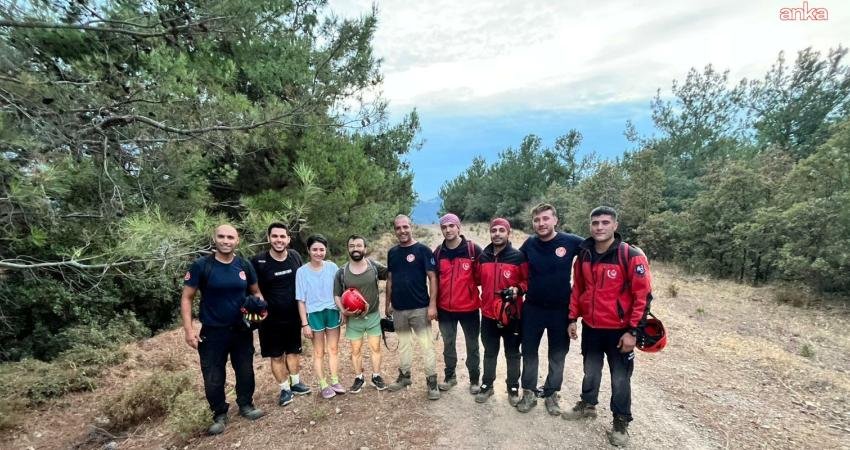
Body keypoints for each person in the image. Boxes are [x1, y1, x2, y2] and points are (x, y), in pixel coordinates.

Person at [563, 206, 651, 447]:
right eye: (595, 223)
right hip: (592, 327)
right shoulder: (584, 255)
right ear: (590, 226)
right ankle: (588, 404)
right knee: (591, 370)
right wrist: (572, 318)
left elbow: (642, 296)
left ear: (615, 225)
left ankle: (621, 421)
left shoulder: (630, 256)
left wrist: (633, 331)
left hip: (619, 330)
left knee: (620, 379)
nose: (599, 227)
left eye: (604, 222)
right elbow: (578, 289)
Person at [180, 224, 265, 435]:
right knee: (213, 375)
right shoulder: (201, 266)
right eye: (222, 236)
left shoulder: (244, 265)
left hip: (241, 329)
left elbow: (256, 293)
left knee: (245, 369)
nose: (226, 241)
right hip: (213, 330)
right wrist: (189, 330)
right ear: (214, 239)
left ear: (237, 241)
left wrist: (261, 310)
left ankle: (246, 404)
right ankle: (219, 413)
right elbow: (187, 297)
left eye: (230, 237)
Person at [516, 203, 583, 416]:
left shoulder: (571, 242)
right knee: (529, 352)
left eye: (545, 219)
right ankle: (528, 392)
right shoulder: (529, 244)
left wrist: (630, 251)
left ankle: (552, 393)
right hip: (533, 308)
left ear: (555, 220)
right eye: (537, 220)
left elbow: (599, 247)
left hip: (560, 310)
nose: (541, 223)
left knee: (557, 354)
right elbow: (513, 263)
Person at [251, 223, 311, 407]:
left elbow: (303, 281)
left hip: (293, 316)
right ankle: (284, 390)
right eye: (275, 236)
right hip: (269, 321)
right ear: (268, 238)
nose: (279, 240)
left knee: (293, 351)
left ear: (288, 239)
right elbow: (253, 289)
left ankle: (296, 382)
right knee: (276, 356)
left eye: (282, 236)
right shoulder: (258, 261)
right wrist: (260, 307)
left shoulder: (294, 256)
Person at [385, 214, 440, 400]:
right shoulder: (392, 252)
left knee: (427, 346)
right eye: (398, 228)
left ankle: (432, 382)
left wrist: (432, 305)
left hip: (420, 308)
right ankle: (405, 376)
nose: (402, 231)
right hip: (399, 309)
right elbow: (390, 279)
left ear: (411, 227)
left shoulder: (423, 250)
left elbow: (433, 277)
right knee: (404, 345)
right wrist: (388, 304)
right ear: (395, 230)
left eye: (405, 227)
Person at [475, 218, 527, 405]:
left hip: (511, 315)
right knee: (490, 351)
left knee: (512, 352)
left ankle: (513, 387)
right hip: (488, 314)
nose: (497, 233)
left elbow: (527, 282)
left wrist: (517, 290)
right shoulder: (483, 257)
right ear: (490, 232)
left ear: (508, 232)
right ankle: (487, 385)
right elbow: (476, 280)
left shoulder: (518, 256)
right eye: (494, 230)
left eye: (501, 230)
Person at [433, 213, 483, 394]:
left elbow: (481, 278)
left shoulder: (473, 250)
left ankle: (475, 379)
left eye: (451, 226)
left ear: (458, 227)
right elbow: (434, 281)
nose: (448, 230)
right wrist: (434, 305)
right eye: (444, 227)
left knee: (472, 345)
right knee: (448, 344)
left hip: (469, 309)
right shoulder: (438, 252)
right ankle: (450, 377)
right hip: (445, 309)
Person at [333, 235, 389, 392]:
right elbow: (337, 295)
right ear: (348, 249)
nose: (355, 249)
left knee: (375, 348)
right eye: (352, 246)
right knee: (355, 350)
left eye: (358, 245)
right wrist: (343, 310)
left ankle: (376, 376)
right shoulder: (342, 272)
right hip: (354, 319)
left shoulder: (374, 266)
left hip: (372, 316)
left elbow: (391, 273)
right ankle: (359, 378)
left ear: (365, 248)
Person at [296, 234, 345, 399]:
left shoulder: (332, 267)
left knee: (333, 349)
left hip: (332, 311)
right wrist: (305, 324)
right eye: (315, 249)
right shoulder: (302, 272)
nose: (318, 253)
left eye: (322, 249)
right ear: (308, 250)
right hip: (314, 314)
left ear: (326, 250)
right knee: (319, 352)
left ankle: (335, 380)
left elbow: (340, 291)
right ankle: (323, 384)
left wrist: (343, 310)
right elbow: (301, 300)